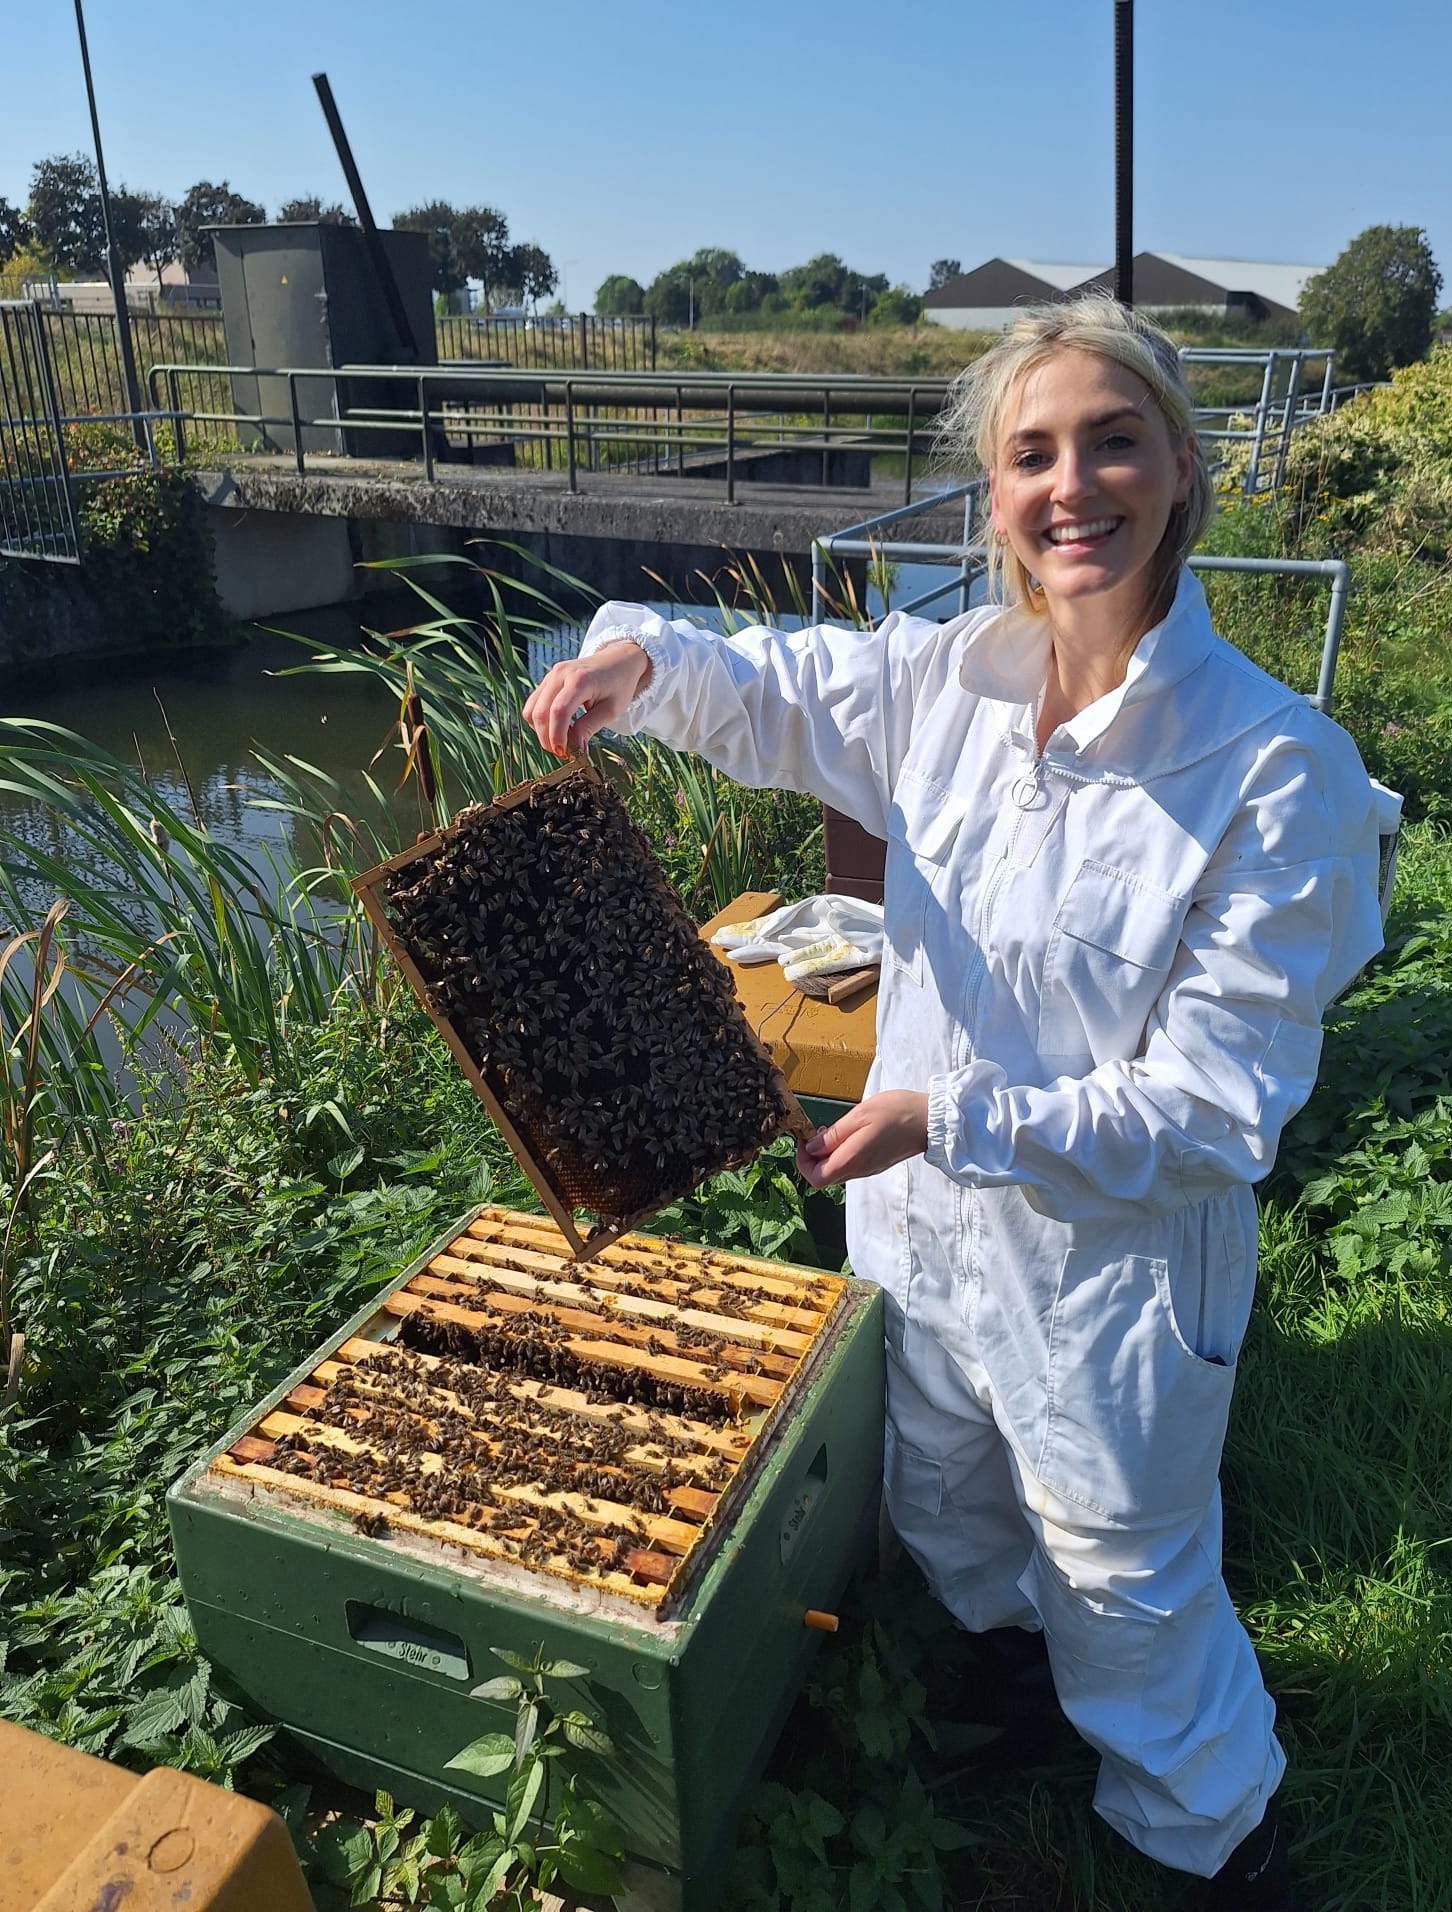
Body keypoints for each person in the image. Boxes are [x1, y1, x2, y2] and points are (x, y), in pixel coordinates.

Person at [524, 297, 1382, 1908]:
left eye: (1111, 441)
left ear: (1181, 467)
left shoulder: (1275, 768)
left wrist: (954, 1119)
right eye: (1030, 453)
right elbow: (778, 685)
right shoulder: (946, 681)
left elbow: (1209, 1112)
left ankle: (1211, 1840)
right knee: (945, 1493)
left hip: (1110, 1267)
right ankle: (994, 1704)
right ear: (991, 494)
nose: (1074, 486)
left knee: (1121, 1567)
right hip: (914, 1230)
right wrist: (640, 658)